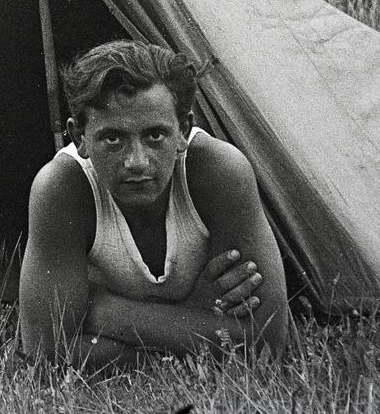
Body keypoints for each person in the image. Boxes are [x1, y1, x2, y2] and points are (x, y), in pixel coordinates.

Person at [18, 40, 290, 366]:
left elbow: (267, 343)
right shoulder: (63, 187)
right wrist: (197, 321)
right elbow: (46, 354)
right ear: (80, 138)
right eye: (113, 138)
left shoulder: (218, 171)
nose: (136, 161)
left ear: (183, 131)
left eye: (155, 136)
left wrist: (107, 312)